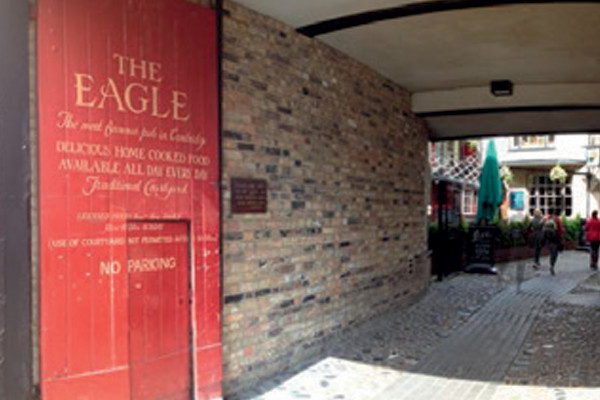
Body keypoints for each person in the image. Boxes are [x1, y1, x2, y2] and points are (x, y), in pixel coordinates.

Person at [543, 210, 564, 276]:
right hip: (555, 238)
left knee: (552, 251)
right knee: (554, 253)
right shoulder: (557, 219)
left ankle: (551, 264)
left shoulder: (546, 219)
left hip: (548, 239)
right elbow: (560, 230)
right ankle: (552, 265)